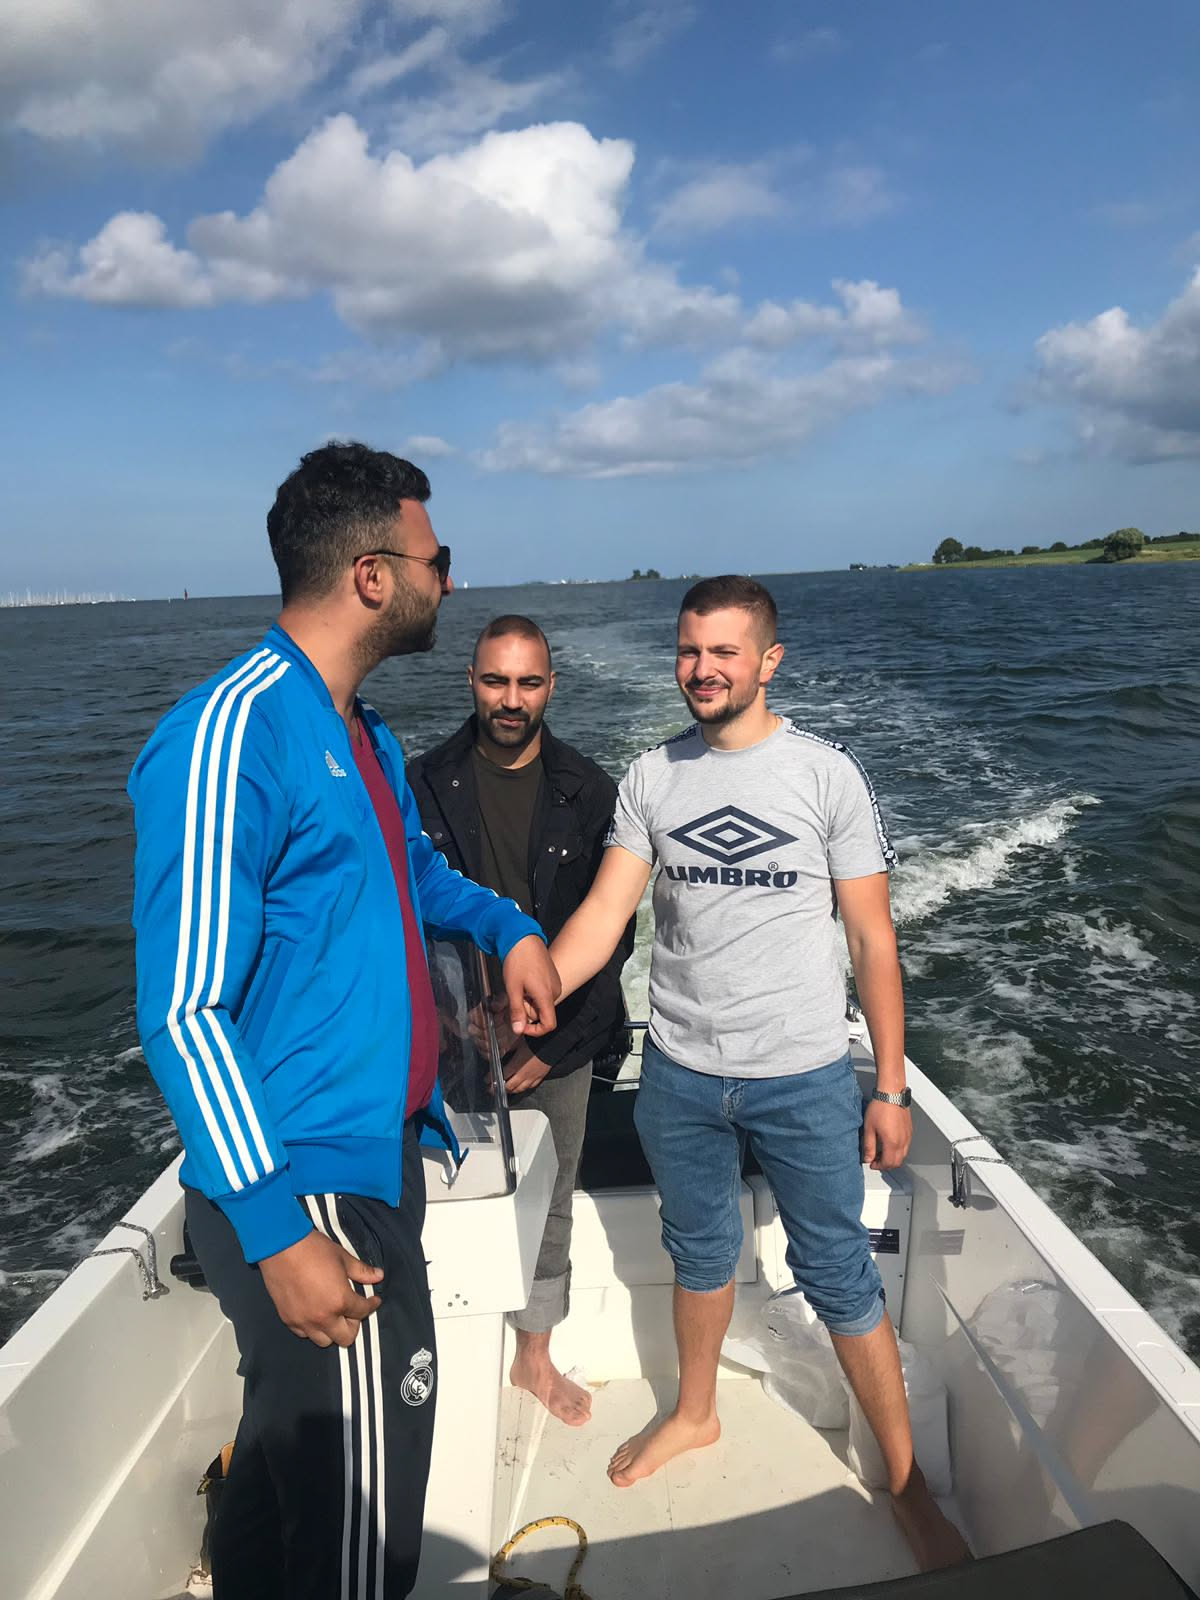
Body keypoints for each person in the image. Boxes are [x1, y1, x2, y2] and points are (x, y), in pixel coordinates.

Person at [127, 443, 560, 1600]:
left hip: (375, 1158)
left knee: (281, 1501)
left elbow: (414, 875)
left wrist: (513, 926)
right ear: (374, 575)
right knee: (365, 1546)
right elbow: (184, 1010)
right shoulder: (233, 734)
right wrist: (279, 1230)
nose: (448, 580)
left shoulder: (359, 732)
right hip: (307, 1183)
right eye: (436, 558)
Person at [547, 575, 970, 1571]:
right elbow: (606, 913)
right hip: (681, 1072)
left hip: (805, 1074)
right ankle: (695, 1412)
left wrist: (891, 1085)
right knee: (698, 1251)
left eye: (723, 652)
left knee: (837, 1270)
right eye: (689, 650)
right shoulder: (652, 777)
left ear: (768, 661)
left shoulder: (826, 776)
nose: (701, 669)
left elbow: (871, 937)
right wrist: (540, 986)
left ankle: (906, 1485)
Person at [407, 615, 634, 1427]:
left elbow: (612, 939)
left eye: (528, 682)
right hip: (448, 1045)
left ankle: (532, 1356)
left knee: (552, 1197)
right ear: (471, 681)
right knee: (438, 1190)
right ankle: (434, 1340)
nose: (511, 699)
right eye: (496, 681)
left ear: (551, 688)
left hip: (555, 1042)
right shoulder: (418, 784)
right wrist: (452, 1027)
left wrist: (551, 1042)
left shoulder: (591, 792)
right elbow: (401, 918)